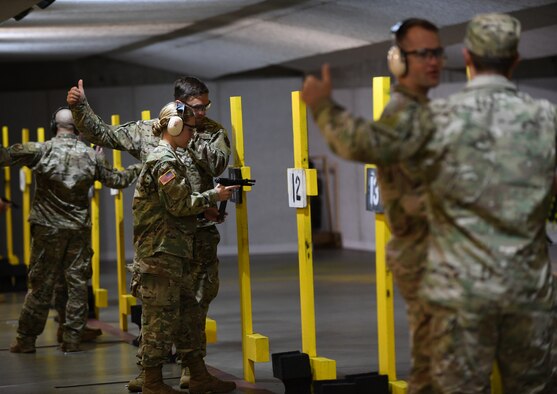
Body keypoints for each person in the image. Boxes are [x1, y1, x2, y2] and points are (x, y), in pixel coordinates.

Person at [303, 13, 556, 393]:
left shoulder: (437, 118)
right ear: (516, 59)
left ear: (467, 57)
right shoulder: (546, 117)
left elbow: (366, 143)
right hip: (529, 289)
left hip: (461, 290)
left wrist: (323, 106)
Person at [303, 18, 444, 393]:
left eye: (438, 53)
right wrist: (323, 108)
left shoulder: (424, 110)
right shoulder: (404, 110)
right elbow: (361, 142)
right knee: (438, 366)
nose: (433, 62)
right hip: (425, 254)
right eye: (422, 54)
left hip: (439, 253)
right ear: (399, 61)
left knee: (440, 364)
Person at [67, 76, 234, 391]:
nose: (202, 113)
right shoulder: (153, 131)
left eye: (206, 107)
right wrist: (80, 108)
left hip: (197, 233)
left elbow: (217, 162)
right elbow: (101, 133)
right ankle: (151, 375)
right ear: (180, 104)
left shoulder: (211, 132)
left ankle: (193, 371)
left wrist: (188, 134)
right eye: (196, 108)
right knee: (159, 308)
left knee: (194, 306)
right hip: (164, 236)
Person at [4, 107, 141, 353]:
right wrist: (139, 167)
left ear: (53, 125)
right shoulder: (90, 156)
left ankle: (25, 340)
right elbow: (118, 181)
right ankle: (72, 339)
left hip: (46, 229)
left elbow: (5, 156)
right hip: (77, 229)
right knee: (76, 283)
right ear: (78, 128)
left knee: (40, 285)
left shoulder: (41, 150)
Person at [131, 101, 237, 394]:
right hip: (160, 255)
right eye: (190, 127)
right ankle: (152, 381)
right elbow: (178, 204)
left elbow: (169, 205)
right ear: (175, 127)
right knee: (159, 319)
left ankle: (199, 375)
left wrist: (205, 212)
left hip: (175, 252)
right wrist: (212, 196)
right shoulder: (163, 160)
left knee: (188, 315)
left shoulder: (170, 157)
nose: (193, 133)